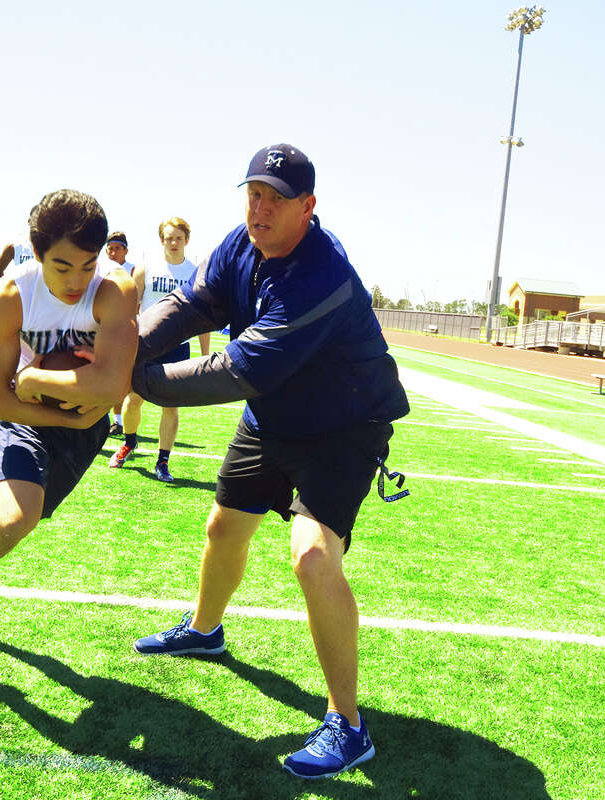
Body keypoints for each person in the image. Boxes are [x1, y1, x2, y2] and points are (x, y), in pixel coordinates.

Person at [128, 144, 409, 780]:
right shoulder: (239, 242)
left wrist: (138, 379)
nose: (259, 207)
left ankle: (349, 725)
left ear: (308, 207)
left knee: (312, 554)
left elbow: (238, 367)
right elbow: (195, 304)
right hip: (273, 416)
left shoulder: (321, 275)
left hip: (343, 427)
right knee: (224, 527)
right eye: (253, 193)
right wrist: (127, 343)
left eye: (276, 198)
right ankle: (205, 630)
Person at [0, 189, 138, 634]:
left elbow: (113, 387)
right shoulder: (11, 296)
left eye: (88, 265)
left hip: (79, 425)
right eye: (62, 266)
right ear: (36, 253)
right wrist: (72, 410)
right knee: (18, 515)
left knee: (30, 519)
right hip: (25, 416)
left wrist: (36, 381)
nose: (77, 281)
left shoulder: (116, 289)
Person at [108, 218, 210, 482]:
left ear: (187, 240)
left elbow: (202, 316)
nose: (173, 243)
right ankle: (129, 443)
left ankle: (163, 461)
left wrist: (205, 354)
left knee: (170, 406)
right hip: (146, 344)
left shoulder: (196, 273)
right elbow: (130, 309)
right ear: (161, 240)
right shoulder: (145, 269)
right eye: (168, 238)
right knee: (134, 399)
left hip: (178, 347)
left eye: (178, 238)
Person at [101, 232, 135, 437]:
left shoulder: (133, 270)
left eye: (118, 248)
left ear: (126, 250)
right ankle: (99, 418)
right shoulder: (99, 268)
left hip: (123, 330)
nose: (113, 252)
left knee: (121, 378)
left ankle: (119, 421)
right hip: (100, 327)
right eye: (110, 248)